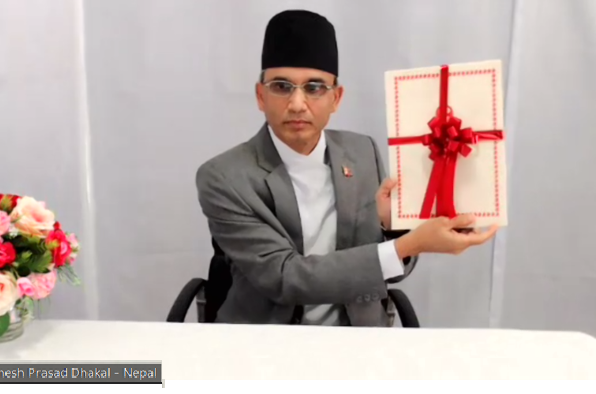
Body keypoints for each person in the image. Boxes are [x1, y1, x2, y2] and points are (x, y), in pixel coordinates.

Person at [195, 10, 497, 327]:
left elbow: (391, 270)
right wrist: (411, 242)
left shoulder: (361, 152)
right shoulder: (224, 177)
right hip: (264, 343)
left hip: (359, 340)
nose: (297, 104)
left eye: (314, 88)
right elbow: (285, 278)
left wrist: (392, 227)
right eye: (282, 86)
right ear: (260, 95)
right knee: (150, 377)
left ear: (336, 98)